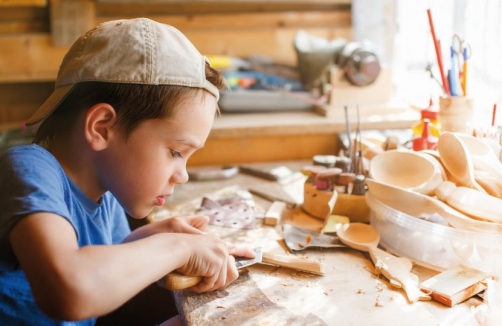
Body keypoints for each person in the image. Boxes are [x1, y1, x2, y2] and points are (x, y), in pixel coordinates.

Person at [0, 18, 255, 325]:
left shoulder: (104, 194)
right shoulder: (27, 169)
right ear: (102, 127)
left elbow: (104, 263)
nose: (182, 175)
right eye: (176, 152)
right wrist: (177, 247)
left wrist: (157, 236)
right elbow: (70, 290)